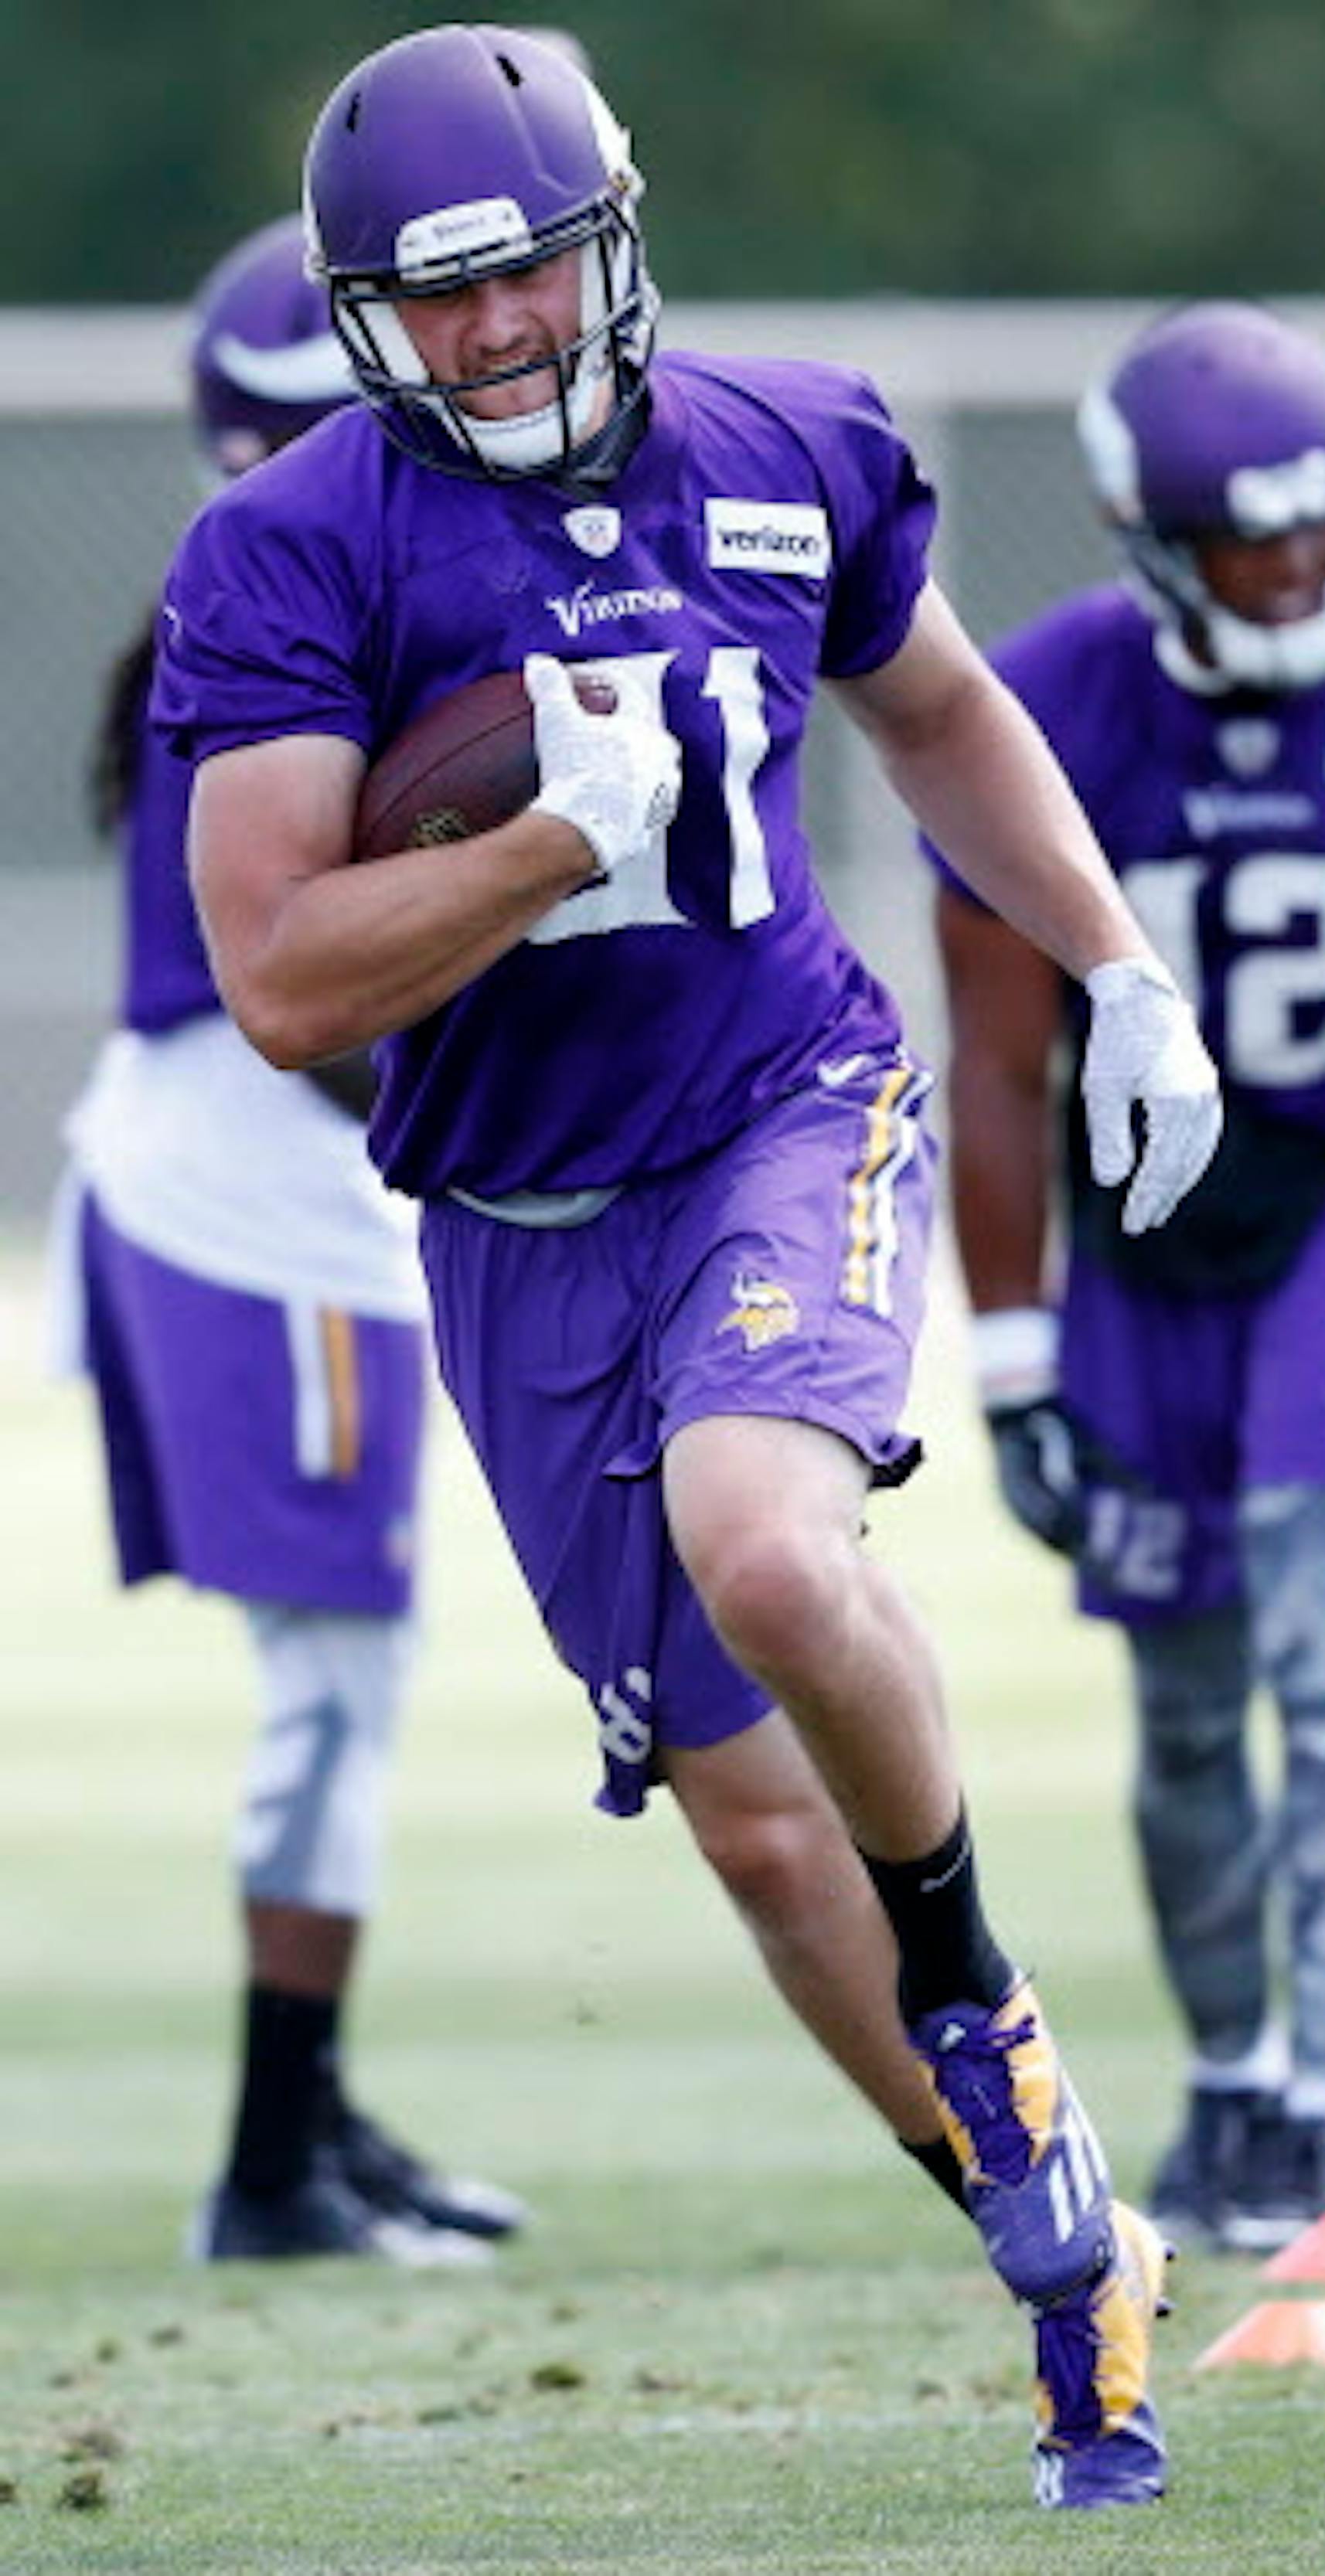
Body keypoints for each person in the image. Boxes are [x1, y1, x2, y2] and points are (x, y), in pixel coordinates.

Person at [152, 27, 1222, 2511]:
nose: (502, 333)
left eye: (531, 273)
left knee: (772, 1528)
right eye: (442, 304)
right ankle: (1064, 2233)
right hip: (514, 1225)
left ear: (608, 243)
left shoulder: (790, 441)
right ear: (360, 323)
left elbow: (941, 713)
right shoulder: (296, 551)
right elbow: (289, 979)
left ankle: (973, 1993)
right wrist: (537, 843)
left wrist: (1115, 964)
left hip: (782, 1107)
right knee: (752, 1835)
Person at [930, 301, 1325, 2253]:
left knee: (1323, 1643)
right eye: (1248, 535)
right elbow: (1000, 1058)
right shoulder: (1040, 697)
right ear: (1150, 535)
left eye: (1319, 525)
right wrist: (1017, 1357)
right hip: (1146, 1227)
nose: (1295, 567)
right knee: (1190, 1697)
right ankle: (1233, 2088)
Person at [54, 213, 524, 2265]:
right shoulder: (258, 645)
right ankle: (270, 2157)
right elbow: (312, 1021)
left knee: (354, 1676)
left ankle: (314, 2111)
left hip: (255, 1196)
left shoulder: (289, 614)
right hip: (258, 1210)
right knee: (335, 1685)